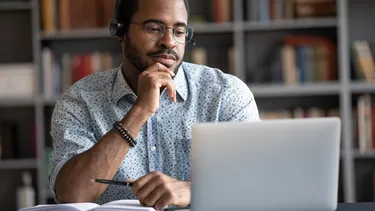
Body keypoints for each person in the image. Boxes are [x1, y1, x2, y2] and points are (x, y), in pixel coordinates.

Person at [48, 0, 260, 210]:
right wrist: (139, 111)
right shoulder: (80, 100)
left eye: (178, 32)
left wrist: (192, 191)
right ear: (120, 31)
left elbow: (258, 185)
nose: (169, 42)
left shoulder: (225, 94)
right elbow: (71, 195)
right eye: (154, 28)